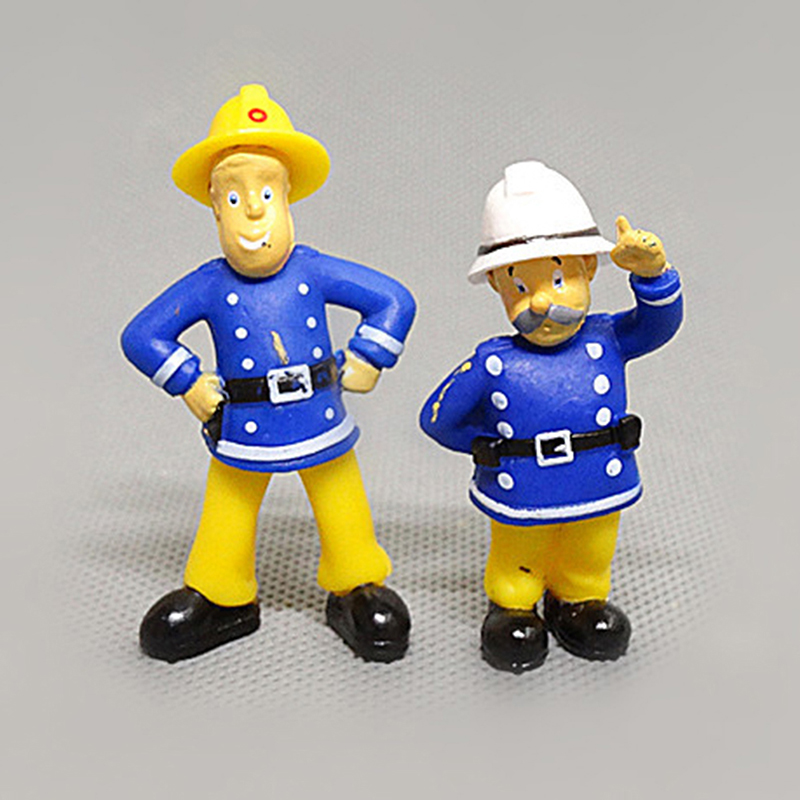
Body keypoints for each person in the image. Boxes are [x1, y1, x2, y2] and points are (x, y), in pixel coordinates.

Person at [122, 84, 416, 663]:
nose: (253, 210)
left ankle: (356, 582)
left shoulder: (312, 271)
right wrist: (188, 381)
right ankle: (221, 592)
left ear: (286, 197)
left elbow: (393, 298)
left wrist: (368, 356)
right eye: (234, 197)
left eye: (264, 192)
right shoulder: (209, 284)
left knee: (340, 497)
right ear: (215, 208)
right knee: (229, 503)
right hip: (245, 425)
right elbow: (141, 334)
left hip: (319, 415)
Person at [419, 160, 682, 673]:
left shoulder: (608, 338)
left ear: (588, 269)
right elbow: (438, 417)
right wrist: (491, 450)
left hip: (599, 481)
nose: (541, 301)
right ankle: (514, 605)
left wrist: (653, 276)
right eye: (519, 287)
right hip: (523, 487)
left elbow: (658, 325)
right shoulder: (494, 362)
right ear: (497, 286)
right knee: (520, 553)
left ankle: (579, 600)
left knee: (590, 550)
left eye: (559, 279)